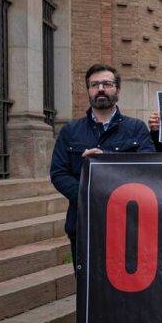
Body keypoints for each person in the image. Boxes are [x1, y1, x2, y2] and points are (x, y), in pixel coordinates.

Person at [50, 63, 155, 267]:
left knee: (126, 291)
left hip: (126, 225)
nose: (100, 89)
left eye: (107, 84)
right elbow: (58, 173)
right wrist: (87, 194)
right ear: (88, 90)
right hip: (83, 224)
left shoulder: (136, 128)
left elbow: (146, 169)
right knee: (87, 288)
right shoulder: (70, 131)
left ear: (118, 89)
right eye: (94, 84)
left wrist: (104, 160)